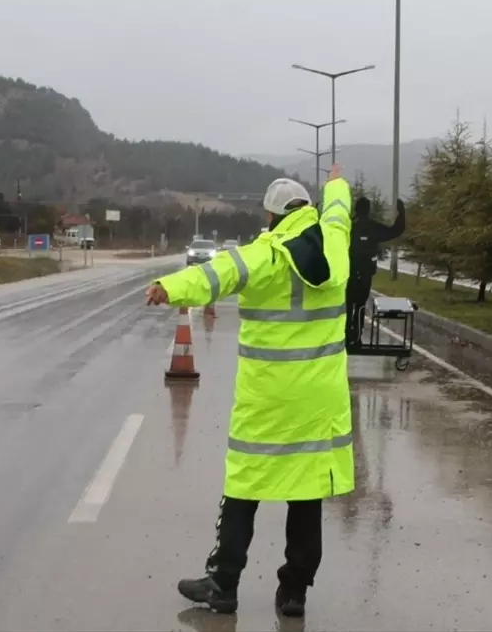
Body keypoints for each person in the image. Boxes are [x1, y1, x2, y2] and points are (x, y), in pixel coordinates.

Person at [145, 164, 355, 618]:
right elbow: (339, 211)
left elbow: (215, 274)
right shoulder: (335, 242)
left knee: (243, 486)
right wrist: (336, 181)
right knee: (306, 490)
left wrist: (169, 286)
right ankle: (294, 592)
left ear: (273, 217)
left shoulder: (266, 255)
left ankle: (223, 584)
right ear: (308, 211)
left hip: (267, 399)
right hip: (319, 399)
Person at [345, 195, 406, 346]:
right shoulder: (373, 227)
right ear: (369, 210)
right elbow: (394, 231)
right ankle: (357, 336)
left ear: (356, 209)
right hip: (366, 272)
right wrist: (402, 215)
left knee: (349, 303)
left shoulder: (349, 226)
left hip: (349, 271)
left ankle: (346, 334)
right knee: (360, 304)